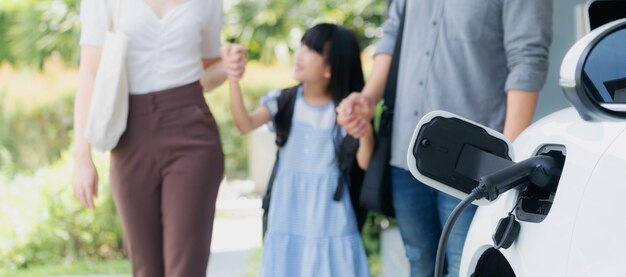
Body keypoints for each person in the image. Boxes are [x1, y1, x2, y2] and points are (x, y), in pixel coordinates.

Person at [337, 0, 553, 276]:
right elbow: (392, 36)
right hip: (407, 153)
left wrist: (504, 165)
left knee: (463, 267)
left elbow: (527, 59)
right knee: (419, 263)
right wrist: (367, 99)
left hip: (474, 163)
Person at [72, 0, 239, 276]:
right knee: (145, 267)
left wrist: (231, 65)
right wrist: (82, 156)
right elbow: (90, 72)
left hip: (191, 130)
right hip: (129, 133)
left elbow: (208, 71)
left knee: (186, 266)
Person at [221, 23, 373, 277]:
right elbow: (244, 123)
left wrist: (364, 127)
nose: (299, 54)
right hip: (288, 206)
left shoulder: (344, 109)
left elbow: (365, 162)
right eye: (301, 46)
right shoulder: (284, 101)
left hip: (330, 211)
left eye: (311, 50)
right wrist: (233, 81)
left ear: (329, 68)